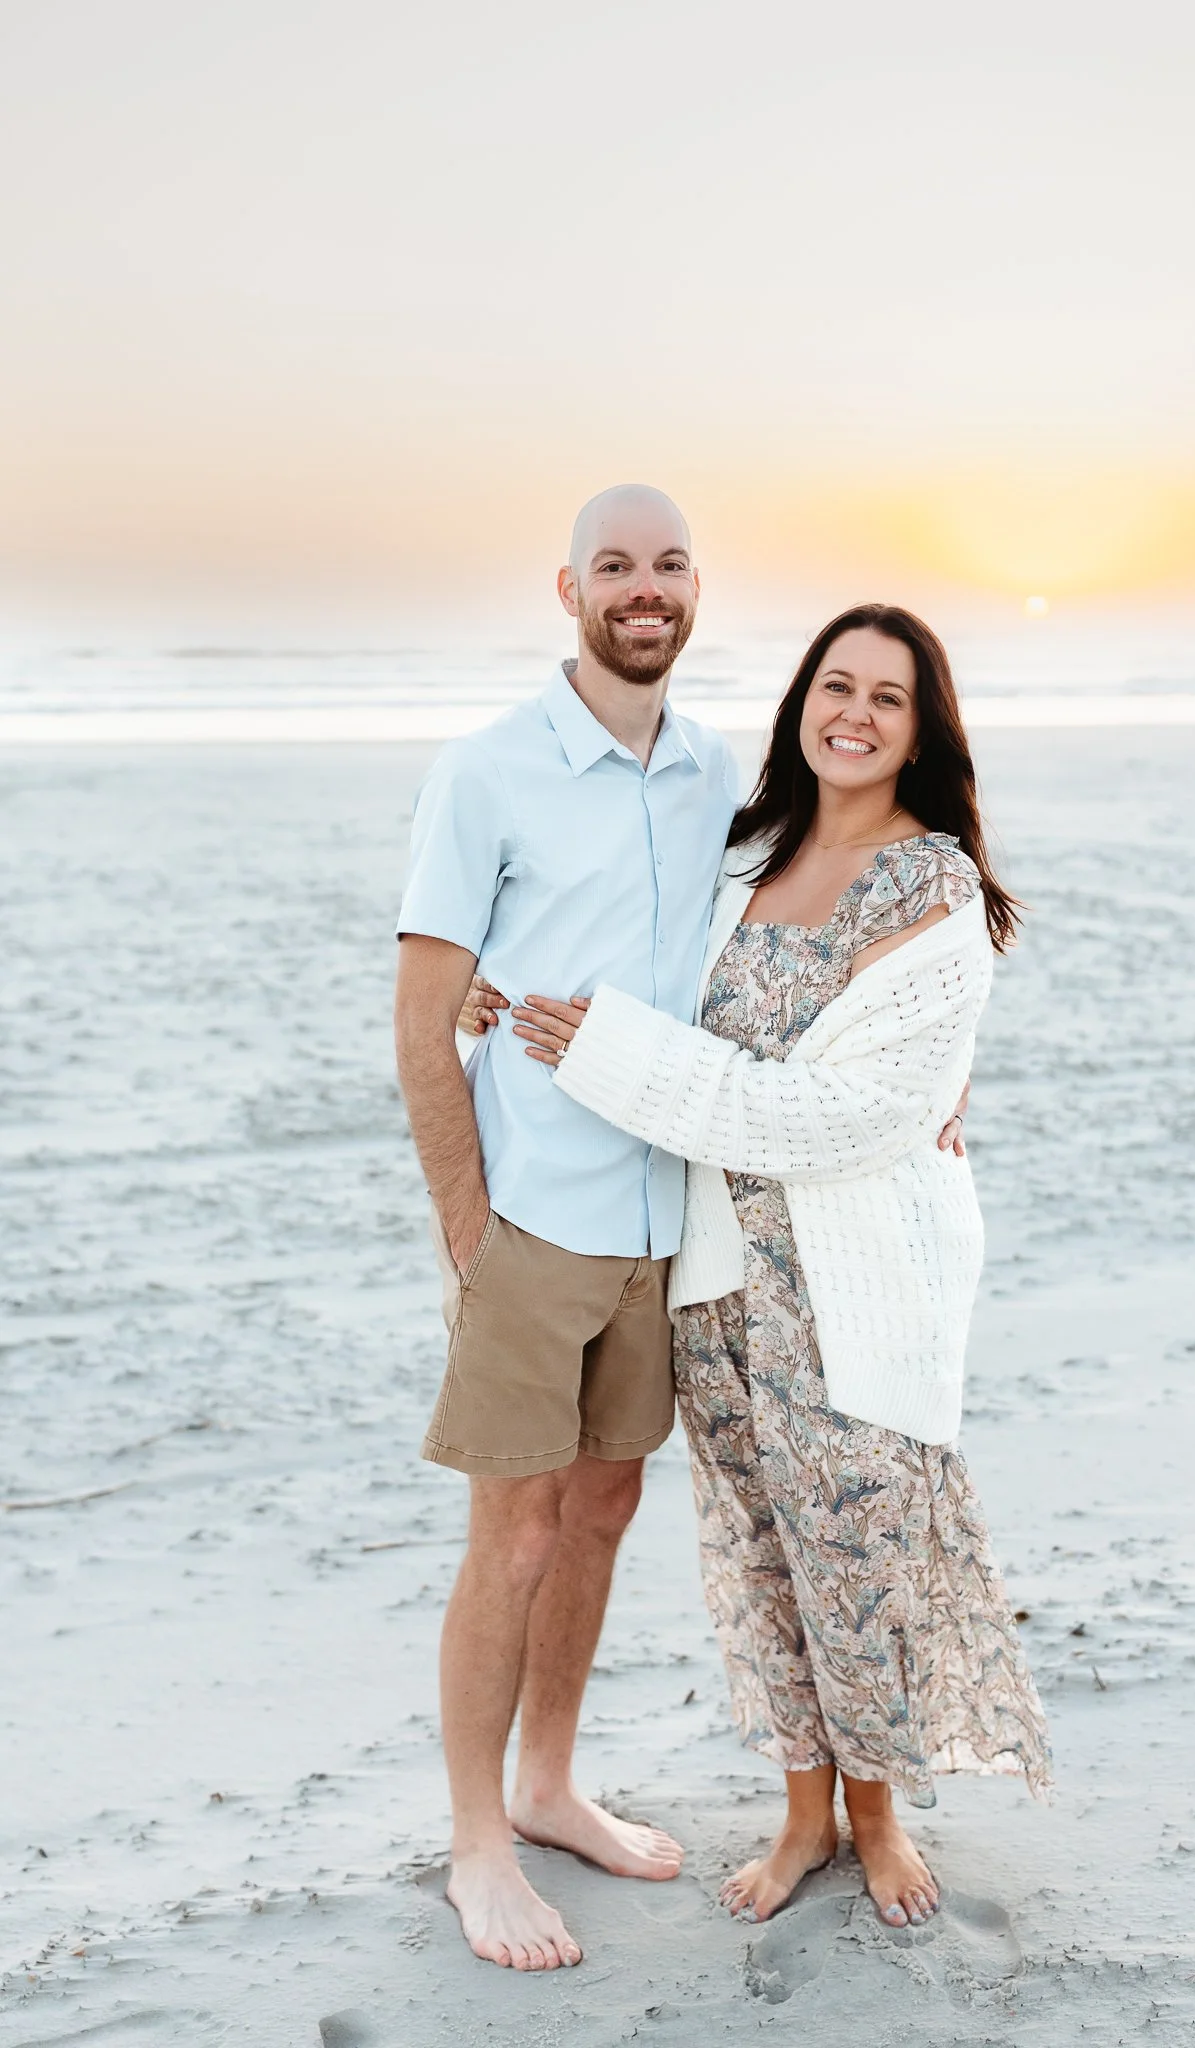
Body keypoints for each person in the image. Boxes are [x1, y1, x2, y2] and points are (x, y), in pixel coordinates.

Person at [499, 603, 1052, 1930]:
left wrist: (616, 1057)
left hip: (855, 1289)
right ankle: (805, 1812)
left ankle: (880, 1815)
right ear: (803, 700)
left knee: (859, 1559)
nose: (852, 713)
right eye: (835, 686)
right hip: (721, 1283)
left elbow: (833, 1119)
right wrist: (500, 995)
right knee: (759, 1551)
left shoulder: (934, 889)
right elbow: (648, 979)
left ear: (925, 733)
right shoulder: (751, 860)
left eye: (888, 698)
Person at [393, 485, 739, 1972]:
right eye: (618, 566)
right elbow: (423, 1024)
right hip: (533, 1221)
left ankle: (548, 1785)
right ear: (570, 589)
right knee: (515, 1536)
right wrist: (468, 1231)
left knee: (604, 1513)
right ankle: (479, 1846)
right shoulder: (487, 772)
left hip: (667, 1219)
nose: (643, 590)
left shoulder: (719, 767)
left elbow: (788, 932)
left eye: (667, 566)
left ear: (693, 589)